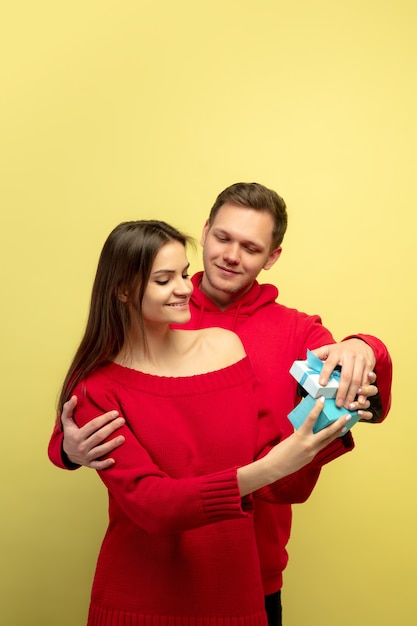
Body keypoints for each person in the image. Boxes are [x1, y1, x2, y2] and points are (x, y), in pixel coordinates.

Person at [48, 183, 392, 626]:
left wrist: (365, 346)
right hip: (149, 569)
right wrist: (68, 449)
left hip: (249, 567)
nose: (231, 256)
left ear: (272, 257)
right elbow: (87, 416)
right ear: (206, 231)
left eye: (250, 247)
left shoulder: (288, 332)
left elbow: (339, 399)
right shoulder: (151, 314)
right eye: (223, 238)